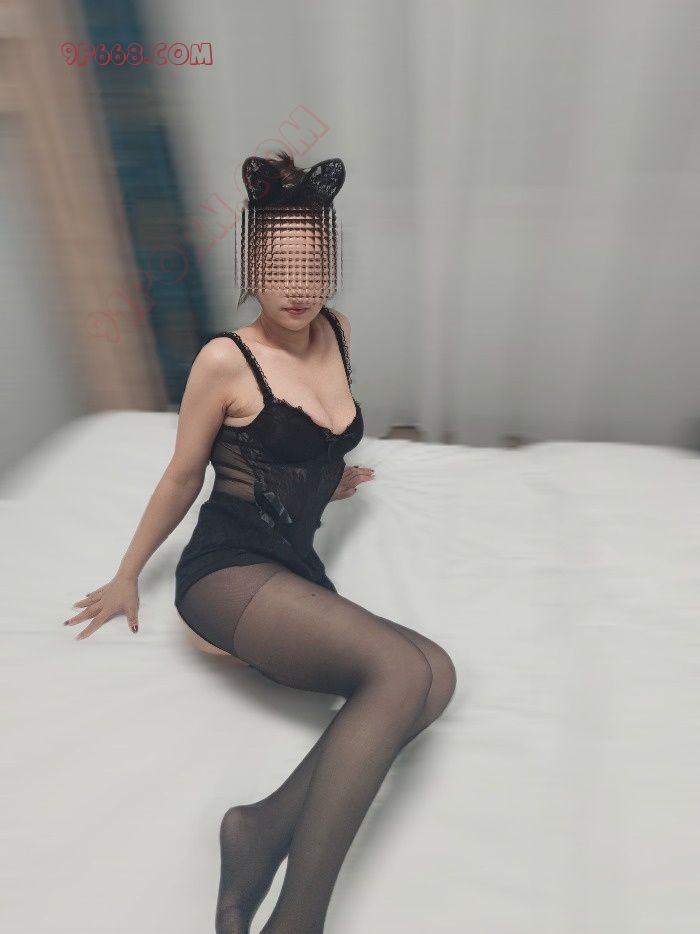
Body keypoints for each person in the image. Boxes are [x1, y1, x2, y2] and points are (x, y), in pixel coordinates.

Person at [64, 152, 457, 934]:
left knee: (436, 675)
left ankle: (259, 826)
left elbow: (307, 440)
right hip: (228, 574)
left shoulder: (337, 331)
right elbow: (183, 476)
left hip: (294, 566)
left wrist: (326, 478)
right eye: (278, 266)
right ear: (250, 266)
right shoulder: (226, 359)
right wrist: (126, 574)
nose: (297, 285)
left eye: (313, 265)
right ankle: (296, 922)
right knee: (396, 670)